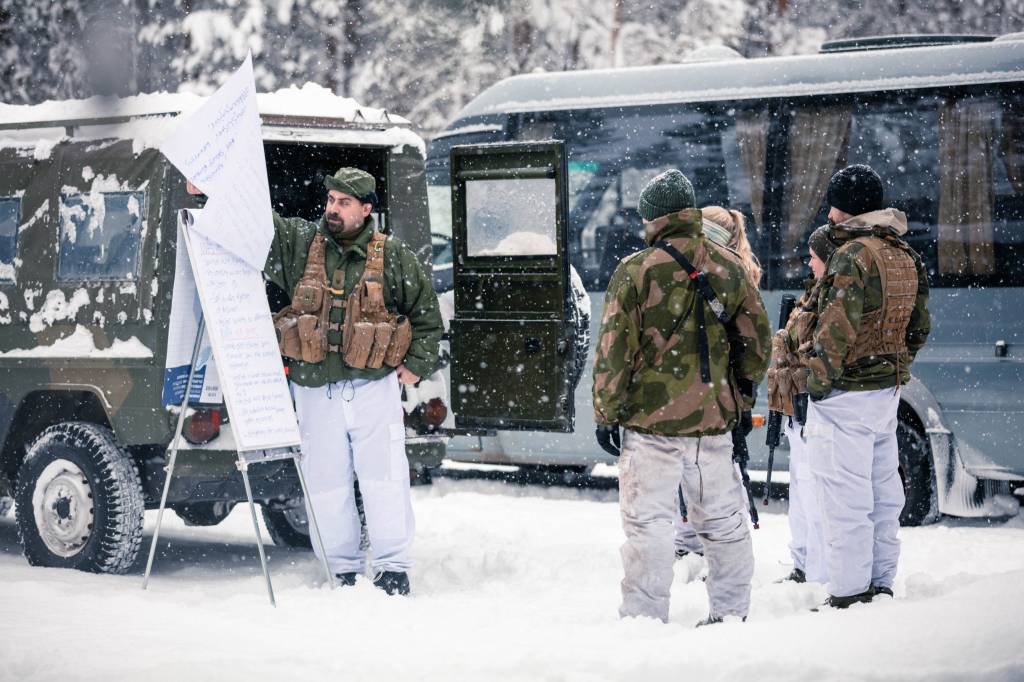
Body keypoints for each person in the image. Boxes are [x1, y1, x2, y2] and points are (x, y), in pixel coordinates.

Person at [592, 170, 772, 626]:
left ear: (654, 218)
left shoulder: (636, 270)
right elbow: (756, 345)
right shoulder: (729, 266)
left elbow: (614, 351)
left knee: (649, 525)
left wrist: (606, 412)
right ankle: (730, 613)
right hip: (712, 422)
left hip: (650, 425)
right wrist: (739, 398)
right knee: (723, 522)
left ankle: (644, 618)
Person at [264, 167, 443, 596]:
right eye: (330, 200)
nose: (333, 209)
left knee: (384, 478)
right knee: (326, 482)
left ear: (366, 209)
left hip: (372, 387)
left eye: (344, 203)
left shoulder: (393, 256)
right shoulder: (300, 243)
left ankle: (393, 567)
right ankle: (340, 568)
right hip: (314, 389)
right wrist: (212, 192)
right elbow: (255, 224)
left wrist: (416, 365)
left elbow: (426, 314)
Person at [798, 164, 931, 608]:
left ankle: (848, 593)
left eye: (834, 207)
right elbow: (919, 327)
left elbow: (834, 332)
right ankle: (880, 582)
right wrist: (894, 366)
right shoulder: (904, 253)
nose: (828, 215)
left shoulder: (853, 255)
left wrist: (816, 385)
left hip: (847, 394)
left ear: (846, 209)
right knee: (883, 495)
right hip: (885, 392)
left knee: (844, 498)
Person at [673, 206, 764, 559]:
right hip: (723, 393)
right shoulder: (739, 273)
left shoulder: (691, 271)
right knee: (720, 472)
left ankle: (692, 546)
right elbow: (753, 347)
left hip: (692, 389)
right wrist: (744, 394)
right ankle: (719, 546)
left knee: (693, 471)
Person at [770, 225, 837, 585]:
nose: (809, 264)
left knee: (814, 495)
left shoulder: (831, 296)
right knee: (800, 490)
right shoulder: (814, 293)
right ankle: (803, 563)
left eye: (814, 257)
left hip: (811, 405)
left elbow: (819, 349)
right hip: (797, 407)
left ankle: (819, 573)